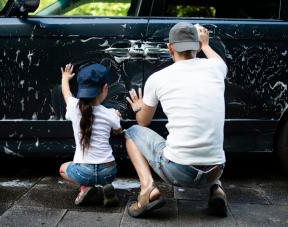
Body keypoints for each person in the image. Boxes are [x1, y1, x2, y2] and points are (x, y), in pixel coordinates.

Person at [125, 22, 228, 217]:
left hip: (178, 171)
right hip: (216, 169)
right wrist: (206, 45)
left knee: (131, 133)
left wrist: (138, 107)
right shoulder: (216, 68)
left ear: (170, 48)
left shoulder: (158, 78)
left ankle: (148, 190)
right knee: (206, 129)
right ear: (197, 46)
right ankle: (217, 189)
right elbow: (219, 62)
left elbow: (143, 122)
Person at [59, 63, 122, 206]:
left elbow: (66, 93)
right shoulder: (110, 113)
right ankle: (105, 186)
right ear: (105, 88)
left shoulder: (74, 107)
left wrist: (65, 78)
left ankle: (85, 187)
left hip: (83, 172)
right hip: (109, 172)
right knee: (104, 174)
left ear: (81, 90)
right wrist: (116, 117)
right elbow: (118, 131)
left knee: (63, 169)